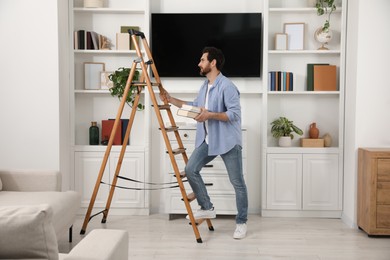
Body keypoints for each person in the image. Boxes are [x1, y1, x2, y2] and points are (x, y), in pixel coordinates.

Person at [159, 47, 248, 239]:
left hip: (228, 141)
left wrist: (210, 115)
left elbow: (234, 114)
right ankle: (207, 207)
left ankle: (241, 222)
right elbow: (194, 106)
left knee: (237, 182)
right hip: (208, 139)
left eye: (202, 60)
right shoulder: (204, 86)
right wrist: (170, 98)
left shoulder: (228, 86)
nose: (199, 64)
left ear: (213, 62)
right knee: (191, 169)